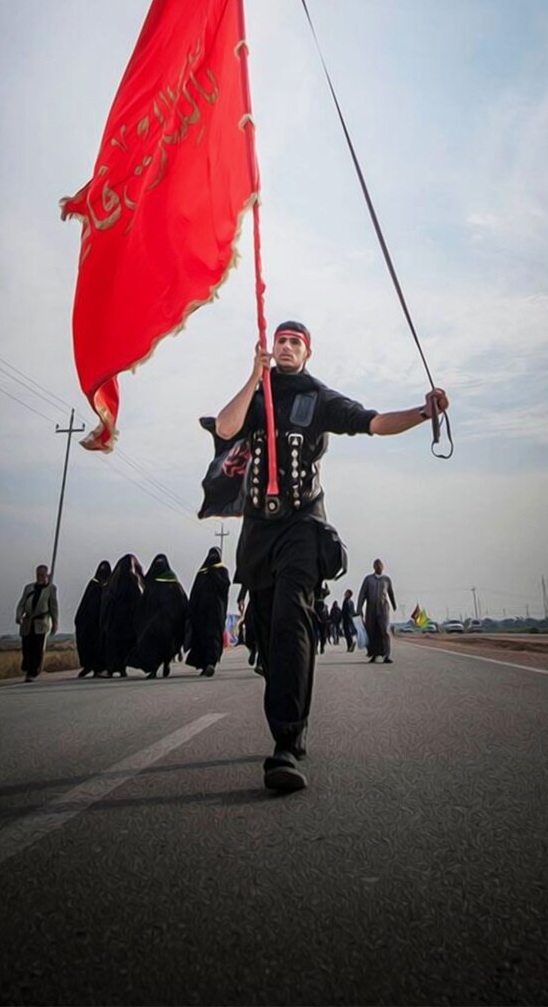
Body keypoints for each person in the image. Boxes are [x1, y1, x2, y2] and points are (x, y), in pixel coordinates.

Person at [214, 319, 448, 793]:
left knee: (292, 623)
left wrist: (423, 413)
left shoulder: (318, 398)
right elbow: (224, 428)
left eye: (294, 343)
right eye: (279, 341)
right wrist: (251, 376)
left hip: (303, 526)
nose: (285, 348)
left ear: (307, 353)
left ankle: (286, 742)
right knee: (266, 632)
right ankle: (286, 705)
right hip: (259, 533)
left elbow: (374, 423)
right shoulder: (255, 396)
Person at [129, 554, 188, 679]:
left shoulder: (163, 583)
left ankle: (159, 667)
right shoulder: (172, 583)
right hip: (163, 625)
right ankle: (158, 667)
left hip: (162, 624)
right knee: (158, 646)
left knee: (158, 646)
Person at [185, 547, 231, 677]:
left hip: (215, 612)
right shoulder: (202, 573)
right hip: (200, 613)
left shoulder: (222, 571)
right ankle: (204, 664)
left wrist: (213, 573)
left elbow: (224, 586)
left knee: (213, 637)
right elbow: (195, 592)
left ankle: (211, 663)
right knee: (201, 637)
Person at [100, 554, 144, 677]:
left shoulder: (113, 581)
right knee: (123, 645)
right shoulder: (132, 580)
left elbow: (107, 600)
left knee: (113, 645)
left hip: (115, 620)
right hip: (127, 620)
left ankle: (111, 668)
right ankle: (121, 668)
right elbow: (137, 598)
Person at [15, 564, 59, 682]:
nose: (40, 577)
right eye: (38, 574)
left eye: (42, 574)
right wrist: (19, 616)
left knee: (37, 648)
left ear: (46, 575)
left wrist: (55, 622)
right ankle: (28, 668)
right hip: (28, 621)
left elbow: (53, 607)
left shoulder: (51, 589)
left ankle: (33, 671)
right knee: (27, 647)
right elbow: (22, 603)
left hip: (41, 623)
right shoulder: (29, 588)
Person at [74, 560, 112, 678]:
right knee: (88, 644)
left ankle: (101, 668)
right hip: (91, 622)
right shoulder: (93, 584)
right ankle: (89, 665)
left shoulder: (111, 585)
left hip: (104, 623)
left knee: (103, 646)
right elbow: (85, 604)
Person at [357, 559, 397, 663]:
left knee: (385, 631)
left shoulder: (386, 579)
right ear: (374, 567)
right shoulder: (368, 579)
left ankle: (387, 655)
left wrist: (394, 605)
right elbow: (362, 594)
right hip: (371, 609)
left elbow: (391, 593)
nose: (379, 566)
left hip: (383, 609)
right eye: (377, 565)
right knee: (372, 631)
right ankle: (374, 654)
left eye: (380, 565)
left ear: (383, 567)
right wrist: (359, 608)